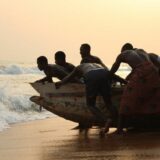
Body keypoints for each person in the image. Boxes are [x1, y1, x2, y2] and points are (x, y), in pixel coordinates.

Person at [110, 43, 160, 133]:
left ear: (124, 50)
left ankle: (119, 129)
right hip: (154, 72)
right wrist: (127, 79)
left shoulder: (123, 54)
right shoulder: (142, 51)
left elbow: (112, 71)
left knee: (126, 99)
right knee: (152, 97)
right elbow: (142, 67)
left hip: (141, 73)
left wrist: (109, 79)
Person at [55, 63, 114, 134]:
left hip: (91, 76)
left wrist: (60, 83)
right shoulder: (97, 65)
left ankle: (106, 120)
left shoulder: (79, 67)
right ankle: (115, 120)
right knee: (108, 102)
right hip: (104, 73)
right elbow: (111, 74)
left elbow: (69, 77)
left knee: (91, 105)